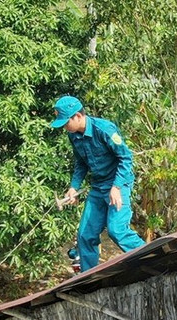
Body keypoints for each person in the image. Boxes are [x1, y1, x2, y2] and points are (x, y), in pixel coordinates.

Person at [50, 95, 146, 271]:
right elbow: (81, 163)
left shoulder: (104, 129)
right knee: (85, 235)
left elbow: (126, 158)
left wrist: (116, 187)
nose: (64, 127)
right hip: (98, 187)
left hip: (118, 183)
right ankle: (88, 278)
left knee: (117, 230)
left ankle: (150, 258)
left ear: (78, 116)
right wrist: (73, 187)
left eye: (66, 122)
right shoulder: (73, 136)